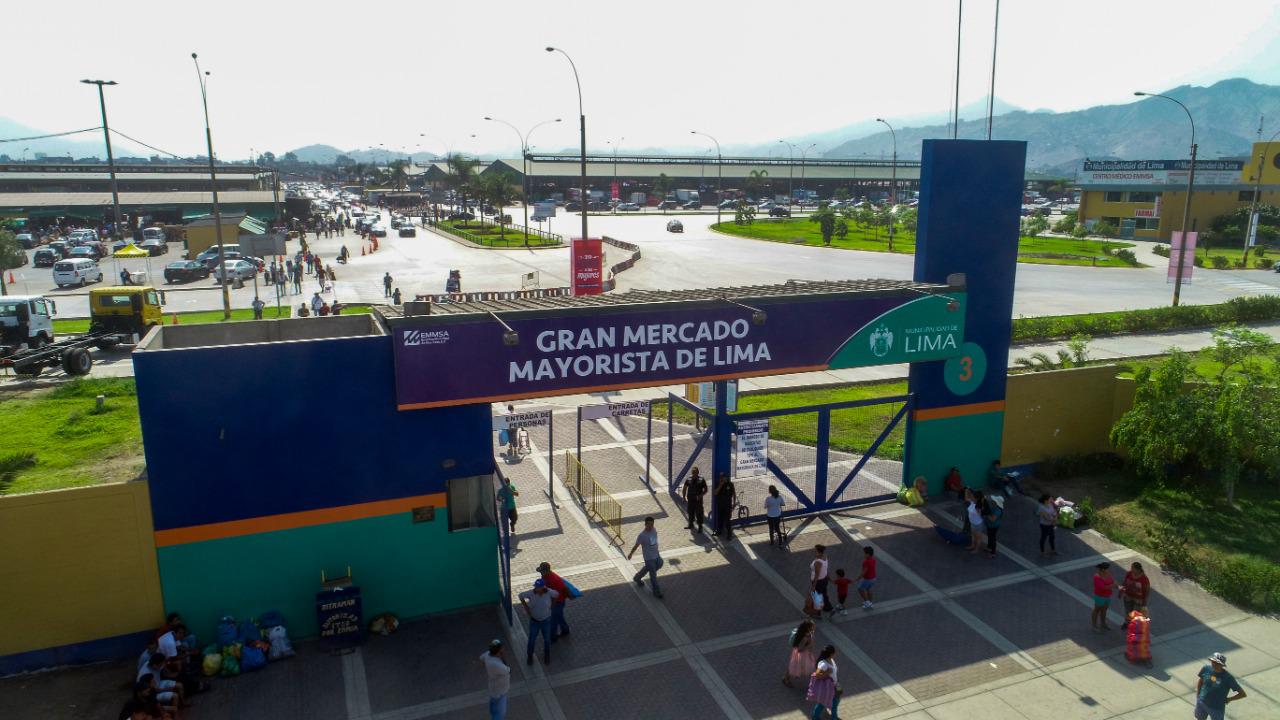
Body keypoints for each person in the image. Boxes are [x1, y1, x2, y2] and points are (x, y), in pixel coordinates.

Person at [517, 579, 559, 666]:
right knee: (532, 639)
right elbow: (520, 595)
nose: (536, 588)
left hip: (546, 620)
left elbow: (556, 594)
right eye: (536, 587)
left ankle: (547, 655)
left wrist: (552, 605)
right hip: (534, 621)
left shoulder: (549, 592)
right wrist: (526, 607)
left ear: (543, 587)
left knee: (547, 639)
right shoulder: (530, 593)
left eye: (538, 587)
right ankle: (530, 655)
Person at [1195, 652, 1246, 720]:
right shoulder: (1206, 669)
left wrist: (1229, 699)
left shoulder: (1228, 678)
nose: (1214, 664)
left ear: (1222, 665)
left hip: (1216, 708)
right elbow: (1201, 680)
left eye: (1217, 663)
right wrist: (1198, 694)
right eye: (1213, 661)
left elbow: (1242, 694)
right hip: (1201, 703)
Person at [628, 516, 664, 598]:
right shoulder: (642, 535)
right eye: (649, 524)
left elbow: (654, 541)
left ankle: (637, 577)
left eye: (652, 524)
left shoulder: (654, 530)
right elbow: (636, 546)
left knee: (660, 563)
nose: (651, 526)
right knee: (653, 575)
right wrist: (631, 554)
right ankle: (656, 591)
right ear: (645, 524)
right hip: (649, 558)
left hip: (656, 555)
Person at [537, 562, 571, 640]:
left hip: (557, 602)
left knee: (553, 620)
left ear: (547, 571)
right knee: (559, 616)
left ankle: (552, 637)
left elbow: (564, 589)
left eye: (542, 571)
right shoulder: (545, 576)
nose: (541, 574)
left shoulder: (555, 579)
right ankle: (565, 630)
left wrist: (552, 605)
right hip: (553, 601)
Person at [806, 645, 841, 720]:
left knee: (834, 701)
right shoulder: (823, 664)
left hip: (835, 684)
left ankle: (818, 717)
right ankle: (821, 717)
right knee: (826, 703)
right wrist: (827, 672)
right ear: (831, 654)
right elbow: (817, 675)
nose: (835, 654)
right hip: (828, 688)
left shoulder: (831, 660)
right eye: (834, 653)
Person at [481, 639, 510, 720]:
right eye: (502, 648)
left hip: (493, 688)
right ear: (498, 651)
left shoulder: (487, 655)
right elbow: (508, 670)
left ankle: (493, 714)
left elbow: (481, 658)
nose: (503, 649)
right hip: (500, 691)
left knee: (493, 706)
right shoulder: (497, 665)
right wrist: (503, 655)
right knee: (500, 714)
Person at [783, 619, 816, 688]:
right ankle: (786, 678)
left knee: (796, 666)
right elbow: (800, 649)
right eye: (812, 626)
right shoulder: (804, 637)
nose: (814, 627)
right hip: (801, 655)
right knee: (794, 667)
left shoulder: (807, 633)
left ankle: (789, 676)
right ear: (808, 628)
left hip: (804, 654)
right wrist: (808, 646)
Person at [1120, 562, 1150, 628]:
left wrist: (1144, 600)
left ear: (1138, 569)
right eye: (1131, 568)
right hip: (1128, 596)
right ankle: (1127, 623)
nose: (1131, 569)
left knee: (1136, 613)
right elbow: (1125, 582)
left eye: (1133, 568)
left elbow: (1147, 590)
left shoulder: (1144, 579)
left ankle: (1133, 625)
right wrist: (1121, 591)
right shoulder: (1129, 574)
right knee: (1128, 610)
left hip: (1138, 599)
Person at [682, 467, 708, 534]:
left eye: (695, 473)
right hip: (690, 499)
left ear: (698, 473)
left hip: (698, 500)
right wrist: (684, 497)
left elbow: (706, 490)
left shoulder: (701, 479)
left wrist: (701, 495)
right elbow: (684, 488)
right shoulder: (689, 479)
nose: (694, 474)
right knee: (690, 512)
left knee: (699, 513)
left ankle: (700, 527)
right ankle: (691, 524)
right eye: (693, 473)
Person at [1092, 562, 1115, 631]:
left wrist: (1117, 586)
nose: (1109, 570)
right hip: (1100, 596)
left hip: (1107, 595)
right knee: (1097, 610)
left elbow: (1112, 581)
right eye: (1107, 569)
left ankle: (1103, 624)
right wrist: (1112, 586)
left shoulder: (1108, 574)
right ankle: (1094, 626)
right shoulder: (1097, 577)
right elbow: (1103, 587)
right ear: (1103, 569)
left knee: (1104, 610)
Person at [810, 544, 833, 613]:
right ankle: (828, 607)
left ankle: (818, 612)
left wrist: (813, 586)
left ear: (819, 552)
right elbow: (825, 569)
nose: (813, 552)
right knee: (824, 594)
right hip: (824, 579)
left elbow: (817, 574)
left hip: (818, 582)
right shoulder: (824, 556)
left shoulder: (818, 562)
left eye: (815, 551)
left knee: (817, 597)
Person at [713, 472, 736, 540]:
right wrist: (720, 485)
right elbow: (715, 492)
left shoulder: (730, 484)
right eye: (721, 477)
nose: (722, 478)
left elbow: (734, 494)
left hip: (728, 505)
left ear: (726, 477)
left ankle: (729, 534)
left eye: (723, 477)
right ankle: (719, 531)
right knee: (720, 519)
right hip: (720, 505)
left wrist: (734, 503)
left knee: (727, 521)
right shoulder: (718, 483)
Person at [856, 545, 878, 609]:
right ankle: (870, 602)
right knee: (869, 589)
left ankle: (867, 602)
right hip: (873, 577)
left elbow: (863, 572)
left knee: (860, 589)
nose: (864, 555)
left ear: (868, 554)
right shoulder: (873, 560)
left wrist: (857, 579)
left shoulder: (866, 561)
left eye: (865, 553)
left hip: (867, 579)